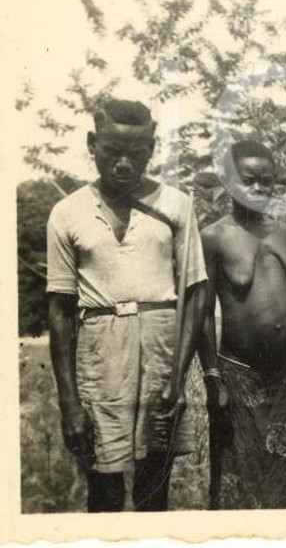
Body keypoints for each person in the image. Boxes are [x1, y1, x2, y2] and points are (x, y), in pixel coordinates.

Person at [46, 99, 207, 512]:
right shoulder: (67, 212)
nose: (122, 164)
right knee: (104, 481)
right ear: (91, 144)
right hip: (101, 354)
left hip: (161, 348)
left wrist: (179, 376)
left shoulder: (176, 205)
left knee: (156, 480)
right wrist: (68, 401)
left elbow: (196, 294)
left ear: (151, 149)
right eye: (111, 151)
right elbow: (61, 310)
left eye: (135, 154)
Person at [197, 140, 286, 510]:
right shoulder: (215, 237)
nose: (261, 189)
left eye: (268, 181)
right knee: (241, 484)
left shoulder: (285, 233)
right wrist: (212, 376)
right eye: (250, 180)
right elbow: (202, 311)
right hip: (241, 378)